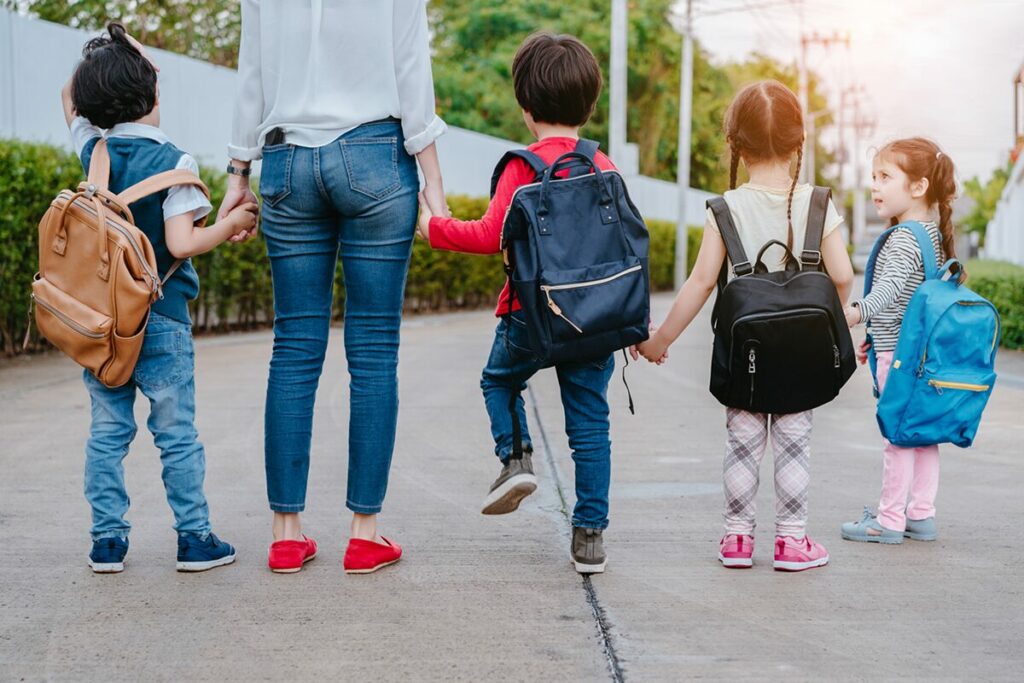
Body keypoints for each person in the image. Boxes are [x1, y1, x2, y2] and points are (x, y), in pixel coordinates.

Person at [220, 1, 448, 574]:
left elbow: (252, 72)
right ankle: (365, 534)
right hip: (374, 154)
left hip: (287, 160)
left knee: (294, 348)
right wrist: (434, 185)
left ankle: (285, 535)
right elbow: (411, 67)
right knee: (373, 351)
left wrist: (237, 173)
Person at [418, 32, 617, 575]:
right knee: (589, 425)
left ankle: (515, 459)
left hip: (529, 313)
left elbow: (488, 234)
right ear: (589, 103)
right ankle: (590, 537)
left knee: (499, 380)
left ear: (526, 109)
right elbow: (625, 247)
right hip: (594, 317)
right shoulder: (604, 165)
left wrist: (433, 226)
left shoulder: (521, 167)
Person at [635, 80, 854, 571]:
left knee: (743, 446)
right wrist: (829, 322)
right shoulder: (818, 202)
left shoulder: (725, 209)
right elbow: (841, 276)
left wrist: (658, 340)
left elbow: (698, 283)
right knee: (794, 447)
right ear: (800, 143)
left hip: (747, 355)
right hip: (801, 356)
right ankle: (791, 543)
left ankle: (736, 540)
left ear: (734, 144)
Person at [63, 23, 257, 573]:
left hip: (103, 326)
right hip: (163, 320)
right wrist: (233, 220)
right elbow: (181, 242)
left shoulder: (93, 152)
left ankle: (107, 542)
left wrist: (114, 62)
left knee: (107, 432)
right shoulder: (176, 162)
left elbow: (70, 98)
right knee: (176, 433)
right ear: (152, 93)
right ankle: (194, 540)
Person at [840, 138, 958, 544]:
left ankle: (888, 520)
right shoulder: (932, 235)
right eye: (873, 176)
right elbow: (913, 300)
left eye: (885, 177)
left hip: (902, 361)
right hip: (923, 358)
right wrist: (877, 336)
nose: (875, 186)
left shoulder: (904, 238)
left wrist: (855, 314)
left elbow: (889, 290)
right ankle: (921, 515)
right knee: (923, 437)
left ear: (919, 187)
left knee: (897, 440)